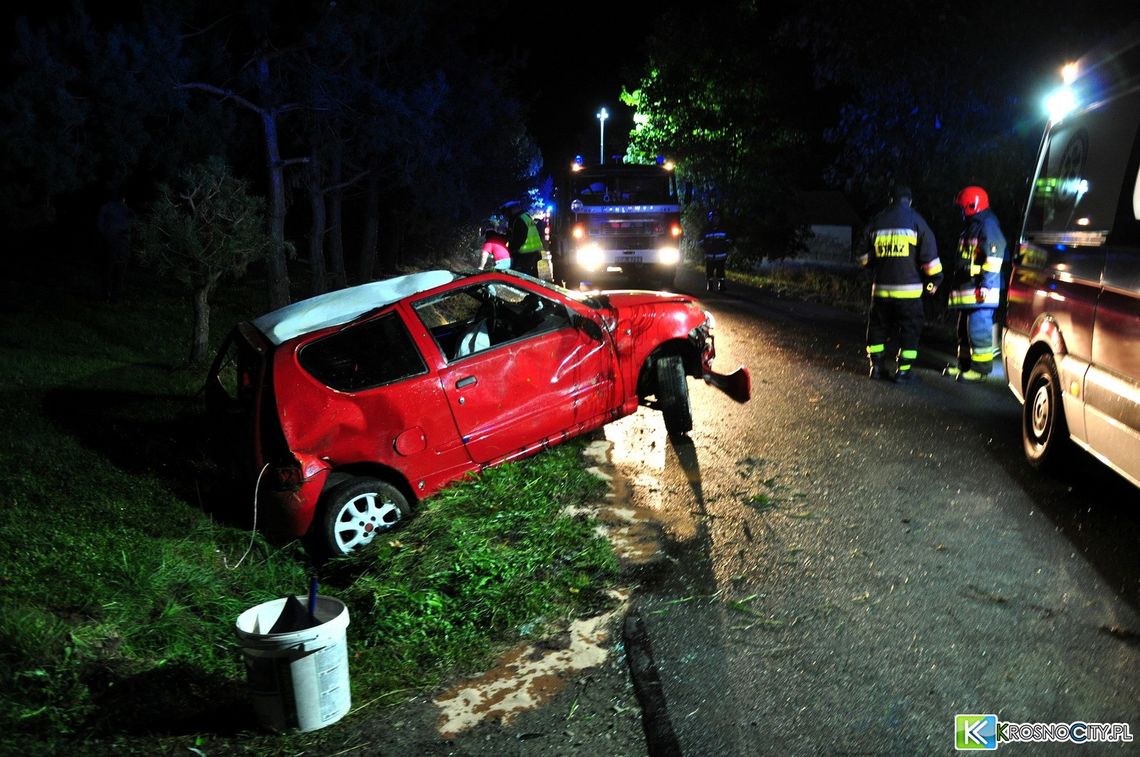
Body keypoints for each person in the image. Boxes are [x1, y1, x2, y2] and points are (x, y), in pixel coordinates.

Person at [856, 185, 943, 383]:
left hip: (881, 291)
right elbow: (930, 262)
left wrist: (876, 264)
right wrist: (935, 280)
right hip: (909, 294)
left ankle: (877, 368)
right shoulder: (917, 222)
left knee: (877, 328)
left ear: (891, 200)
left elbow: (861, 257)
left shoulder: (876, 222)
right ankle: (903, 372)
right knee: (910, 330)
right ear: (909, 201)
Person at [943, 185, 1006, 382]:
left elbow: (994, 257)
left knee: (978, 330)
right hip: (969, 289)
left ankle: (980, 370)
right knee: (964, 329)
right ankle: (964, 365)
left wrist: (985, 285)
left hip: (980, 290)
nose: (961, 212)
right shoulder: (973, 226)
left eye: (963, 208)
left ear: (972, 206)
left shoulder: (987, 225)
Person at [97, 194, 135, 303]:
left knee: (106, 270)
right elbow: (133, 227)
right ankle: (115, 297)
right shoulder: (128, 211)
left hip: (109, 244)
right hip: (122, 246)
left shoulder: (106, 208)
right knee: (119, 272)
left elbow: (100, 226)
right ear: (123, 199)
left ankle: (105, 296)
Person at [502, 200, 543, 277]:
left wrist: (511, 250)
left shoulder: (519, 220)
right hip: (533, 252)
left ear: (512, 210)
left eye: (507, 212)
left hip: (525, 255)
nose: (506, 216)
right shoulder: (525, 217)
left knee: (522, 278)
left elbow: (519, 239)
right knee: (531, 278)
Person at [700, 210, 731, 292]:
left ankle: (721, 285)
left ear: (718, 218)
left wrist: (724, 247)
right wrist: (706, 247)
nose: (714, 220)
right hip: (709, 255)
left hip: (721, 255)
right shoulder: (705, 229)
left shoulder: (723, 229)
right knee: (709, 271)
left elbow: (729, 240)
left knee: (721, 271)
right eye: (713, 218)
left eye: (716, 218)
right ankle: (709, 286)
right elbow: (700, 241)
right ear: (710, 219)